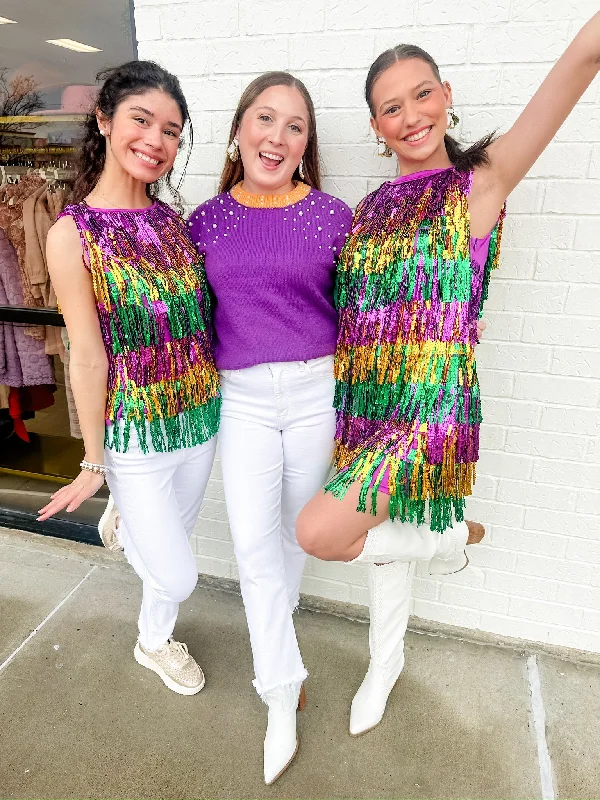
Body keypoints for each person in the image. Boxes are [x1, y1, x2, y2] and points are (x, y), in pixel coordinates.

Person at [297, 14, 600, 739]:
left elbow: (585, 56)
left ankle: (451, 538)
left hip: (430, 412)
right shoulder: (368, 209)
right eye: (392, 107)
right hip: (365, 403)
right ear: (375, 124)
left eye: (422, 94)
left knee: (321, 531)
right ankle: (385, 662)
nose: (411, 116)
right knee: (381, 551)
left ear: (447, 94)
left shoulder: (481, 182)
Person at [186, 72, 353, 784]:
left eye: (294, 126)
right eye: (265, 119)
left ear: (306, 143)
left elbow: (358, 314)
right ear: (239, 129)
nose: (277, 137)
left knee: (290, 542)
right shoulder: (206, 221)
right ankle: (280, 689)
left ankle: (280, 680)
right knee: (255, 546)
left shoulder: (334, 217)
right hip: (245, 397)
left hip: (318, 393)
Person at [38, 61, 221, 697]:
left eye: (172, 130)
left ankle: (153, 641)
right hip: (135, 432)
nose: (156, 140)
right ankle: (124, 514)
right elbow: (86, 356)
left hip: (199, 419)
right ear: (105, 121)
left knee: (174, 556)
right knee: (178, 574)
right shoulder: (71, 234)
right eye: (142, 120)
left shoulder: (174, 222)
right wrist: (94, 461)